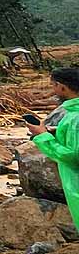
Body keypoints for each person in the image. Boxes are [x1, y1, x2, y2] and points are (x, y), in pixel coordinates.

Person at [26, 68, 79, 234]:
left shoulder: (75, 118)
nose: (53, 91)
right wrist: (57, 132)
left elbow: (72, 156)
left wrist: (42, 136)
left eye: (53, 86)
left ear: (62, 87)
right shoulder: (73, 115)